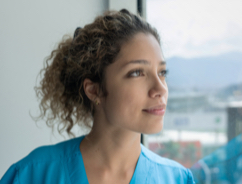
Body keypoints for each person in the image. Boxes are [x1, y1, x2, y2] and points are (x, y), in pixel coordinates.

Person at [0, 9, 195, 184]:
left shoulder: (177, 179)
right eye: (137, 73)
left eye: (162, 73)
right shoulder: (32, 175)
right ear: (94, 90)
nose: (160, 88)